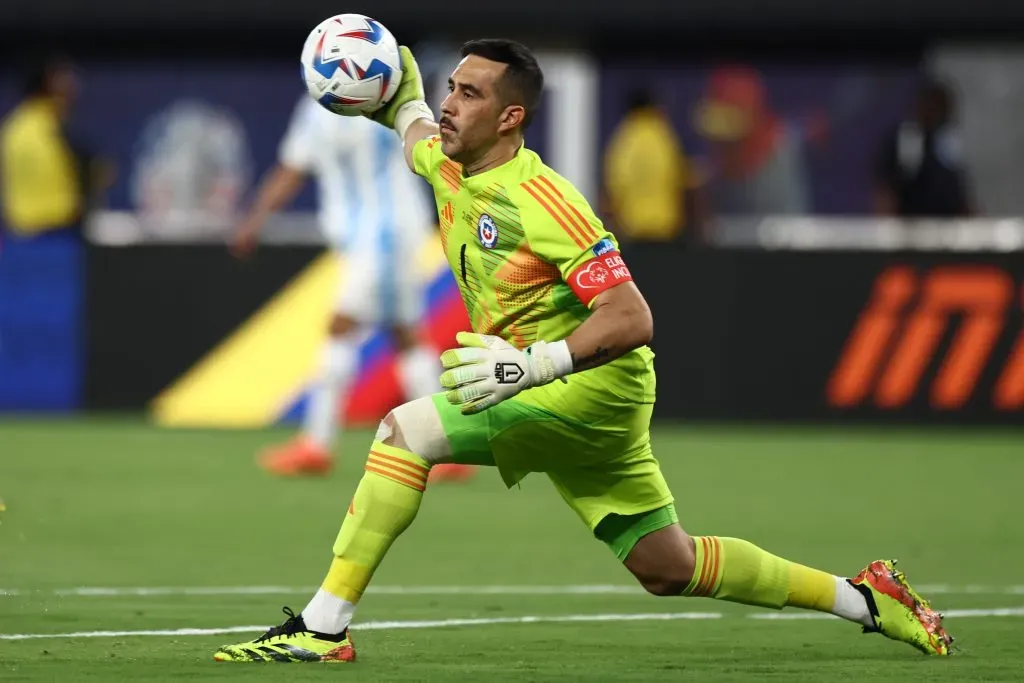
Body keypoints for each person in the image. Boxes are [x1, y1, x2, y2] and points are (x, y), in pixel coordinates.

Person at [213, 39, 953, 663]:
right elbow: (409, 125)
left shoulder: (545, 201)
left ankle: (322, 627)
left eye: (469, 94)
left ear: (511, 117)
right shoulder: (443, 163)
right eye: (449, 87)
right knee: (668, 565)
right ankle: (866, 597)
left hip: (586, 383)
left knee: (405, 431)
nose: (449, 103)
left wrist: (535, 364)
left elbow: (632, 315)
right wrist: (394, 90)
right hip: (569, 392)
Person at [232, 96, 472, 482]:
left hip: (384, 236)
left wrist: (254, 220)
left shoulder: (386, 103)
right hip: (371, 238)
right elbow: (292, 168)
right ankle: (446, 450)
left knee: (341, 329)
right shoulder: (316, 109)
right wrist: (256, 219)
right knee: (407, 337)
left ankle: (317, 444)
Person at [602, 88, 692, 245]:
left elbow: (615, 185)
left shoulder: (624, 138)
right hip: (666, 229)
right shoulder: (663, 135)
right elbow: (680, 178)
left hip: (633, 229)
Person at [874, 79, 974, 217]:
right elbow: (886, 189)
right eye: (929, 104)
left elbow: (959, 189)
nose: (933, 111)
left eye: (939, 106)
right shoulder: (903, 139)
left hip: (947, 223)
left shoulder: (950, 141)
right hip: (909, 222)